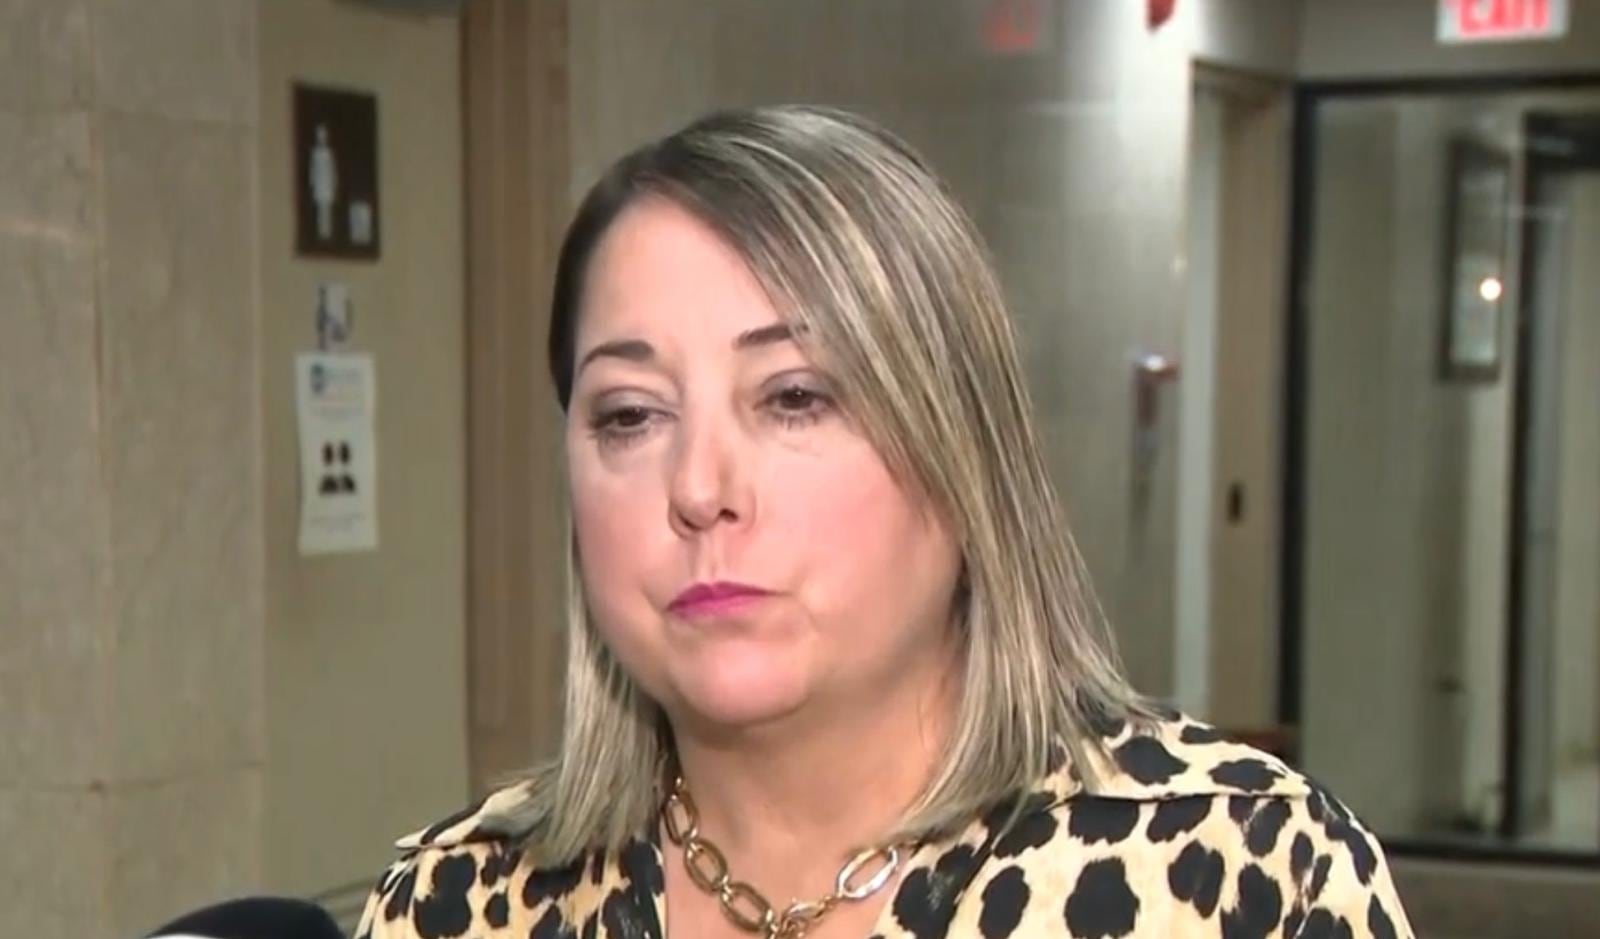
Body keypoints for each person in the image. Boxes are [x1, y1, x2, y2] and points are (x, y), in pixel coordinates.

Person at [356, 106, 1412, 939]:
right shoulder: (458, 903)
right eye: (631, 415)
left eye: (795, 398)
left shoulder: (1238, 873)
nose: (700, 487)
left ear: (963, 447)